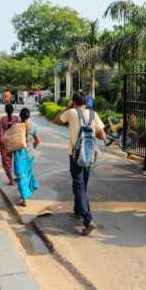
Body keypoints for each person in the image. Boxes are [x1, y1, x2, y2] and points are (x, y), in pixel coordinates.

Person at [52, 91, 106, 236]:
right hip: (89, 156)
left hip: (75, 155)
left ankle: (88, 220)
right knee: (82, 184)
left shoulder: (71, 113)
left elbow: (55, 120)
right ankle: (78, 210)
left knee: (79, 186)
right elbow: (103, 135)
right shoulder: (93, 114)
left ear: (74, 102)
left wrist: (69, 108)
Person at [12, 108, 41, 207]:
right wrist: (32, 147)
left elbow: (11, 140)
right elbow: (38, 140)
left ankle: (24, 198)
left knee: (20, 176)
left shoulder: (16, 126)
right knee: (27, 174)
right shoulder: (32, 127)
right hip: (30, 154)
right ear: (28, 116)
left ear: (20, 116)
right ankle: (25, 194)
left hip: (19, 155)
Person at [0, 103, 21, 185]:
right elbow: (21, 131)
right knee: (18, 161)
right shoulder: (17, 119)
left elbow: (0, 133)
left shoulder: (3, 119)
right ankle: (19, 177)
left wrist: (1, 144)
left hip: (6, 145)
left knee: (7, 162)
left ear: (5, 110)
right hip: (17, 144)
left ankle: (11, 180)